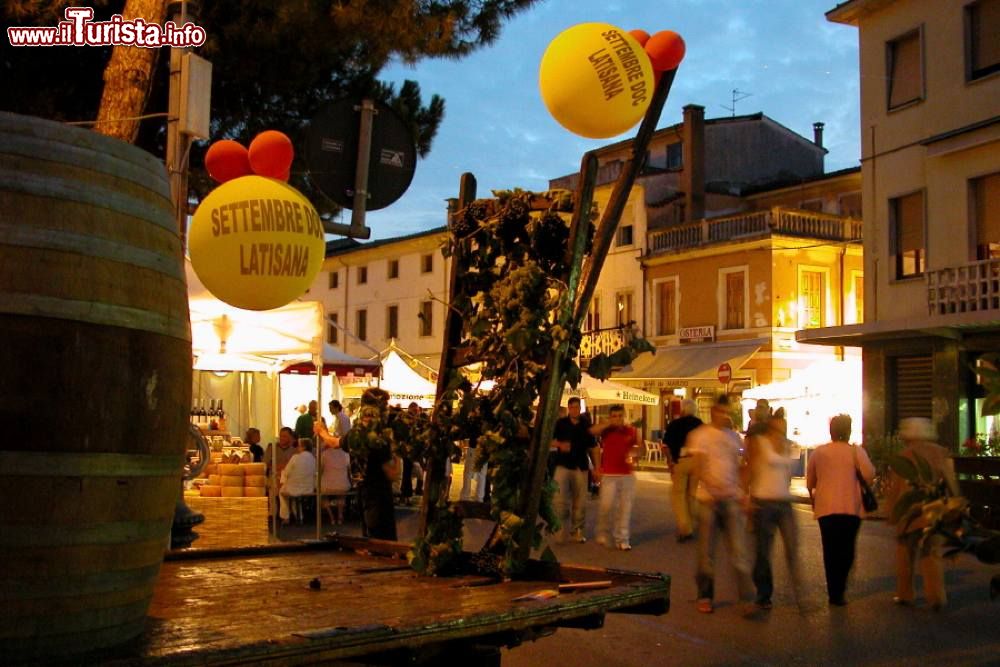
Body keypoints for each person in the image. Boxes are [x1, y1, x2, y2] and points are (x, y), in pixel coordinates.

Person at [688, 395, 754, 614]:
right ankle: (705, 595)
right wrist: (711, 484)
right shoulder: (700, 436)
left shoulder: (734, 437)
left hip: (731, 499)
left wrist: (743, 491)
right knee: (707, 552)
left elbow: (744, 463)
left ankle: (747, 598)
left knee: (739, 551)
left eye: (728, 412)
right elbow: (698, 467)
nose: (725, 416)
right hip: (708, 500)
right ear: (713, 411)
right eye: (722, 411)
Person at [886, 417, 960, 610]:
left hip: (910, 512)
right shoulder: (940, 453)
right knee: (932, 553)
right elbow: (951, 481)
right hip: (934, 510)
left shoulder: (904, 456)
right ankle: (936, 597)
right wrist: (955, 504)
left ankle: (905, 594)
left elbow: (895, 488)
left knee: (906, 553)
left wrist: (891, 512)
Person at [806, 414, 874, 607]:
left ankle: (833, 592)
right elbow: (869, 475)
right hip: (851, 507)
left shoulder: (819, 452)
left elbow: (810, 481)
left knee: (830, 550)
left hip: (826, 508)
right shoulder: (856, 452)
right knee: (847, 549)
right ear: (849, 430)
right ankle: (840, 587)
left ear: (831, 431)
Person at [747, 413, 801, 610]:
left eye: (784, 429)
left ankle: (799, 592)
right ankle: (763, 593)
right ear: (771, 428)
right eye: (779, 429)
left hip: (784, 502)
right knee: (763, 551)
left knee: (792, 549)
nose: (782, 433)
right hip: (764, 502)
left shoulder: (789, 446)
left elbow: (789, 473)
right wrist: (748, 497)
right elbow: (751, 469)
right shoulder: (760, 443)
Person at [552, 397, 601, 543]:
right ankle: (560, 529)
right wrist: (560, 445)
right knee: (559, 500)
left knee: (580, 502)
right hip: (563, 465)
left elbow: (593, 447)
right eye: (572, 407)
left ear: (580, 409)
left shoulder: (586, 425)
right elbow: (549, 440)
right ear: (568, 408)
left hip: (581, 466)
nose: (574, 410)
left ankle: (577, 531)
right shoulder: (560, 424)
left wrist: (596, 468)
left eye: (577, 407)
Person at [593, 405, 639, 550]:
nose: (618, 419)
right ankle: (602, 531)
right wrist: (608, 423)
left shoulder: (631, 431)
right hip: (609, 474)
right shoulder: (606, 430)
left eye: (620, 416)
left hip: (627, 474)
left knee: (625, 508)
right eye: (615, 416)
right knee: (606, 506)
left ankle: (622, 538)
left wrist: (635, 452)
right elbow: (592, 431)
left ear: (624, 416)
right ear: (611, 417)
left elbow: (640, 448)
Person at [663, 399, 703, 542]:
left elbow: (666, 445)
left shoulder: (675, 424)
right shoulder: (700, 424)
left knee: (678, 495)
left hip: (681, 461)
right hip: (697, 461)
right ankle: (693, 523)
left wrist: (670, 462)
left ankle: (685, 527)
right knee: (691, 494)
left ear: (683, 410)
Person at [279, 438, 317, 524]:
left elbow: (287, 472)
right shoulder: (314, 459)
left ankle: (286, 517)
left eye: (299, 446)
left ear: (303, 447)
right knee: (295, 496)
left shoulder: (295, 458)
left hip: (293, 487)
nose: (297, 448)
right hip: (309, 488)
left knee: (282, 492)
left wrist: (282, 480)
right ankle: (298, 515)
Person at [320, 441, 352, 525]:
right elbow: (349, 469)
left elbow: (321, 469)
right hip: (343, 484)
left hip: (327, 485)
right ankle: (340, 516)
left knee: (323, 496)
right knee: (341, 495)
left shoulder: (324, 454)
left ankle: (331, 517)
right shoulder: (346, 454)